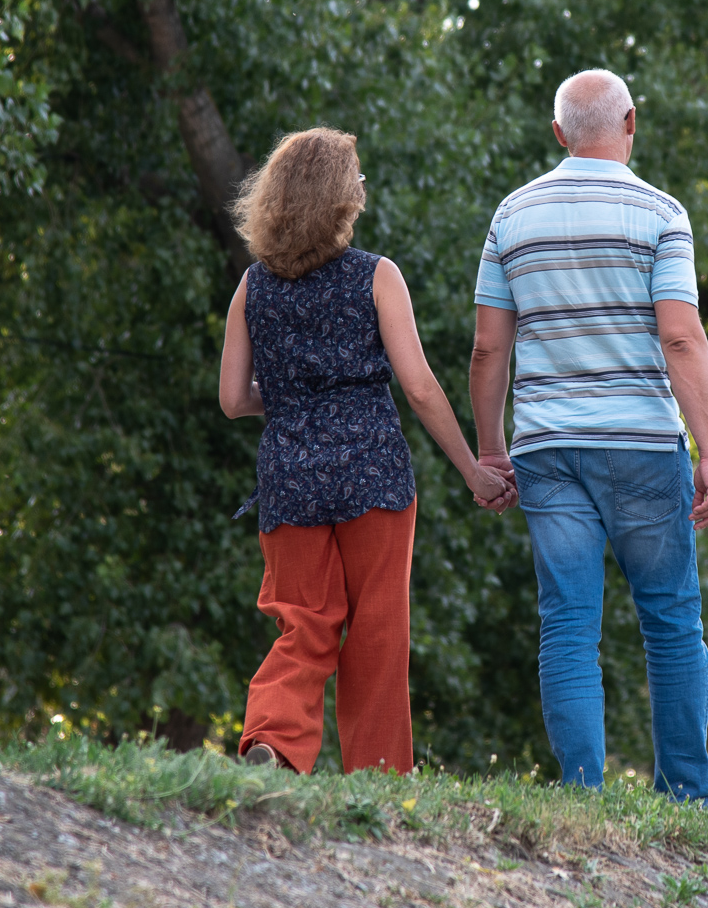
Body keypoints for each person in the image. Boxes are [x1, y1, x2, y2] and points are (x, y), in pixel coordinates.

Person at [219, 127, 515, 775]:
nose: (362, 187)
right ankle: (378, 776)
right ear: (336, 198)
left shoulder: (252, 287)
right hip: (372, 474)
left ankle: (273, 741)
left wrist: (297, 392)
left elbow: (233, 399)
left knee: (303, 623)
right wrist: (473, 469)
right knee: (379, 632)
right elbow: (419, 387)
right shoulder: (376, 276)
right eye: (356, 177)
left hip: (290, 479)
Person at [469, 69, 708, 803]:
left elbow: (490, 349)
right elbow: (680, 338)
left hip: (547, 449)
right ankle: (686, 798)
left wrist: (492, 448)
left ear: (559, 134)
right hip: (643, 444)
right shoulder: (661, 215)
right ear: (631, 122)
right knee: (671, 620)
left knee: (570, 624)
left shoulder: (512, 216)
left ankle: (581, 796)